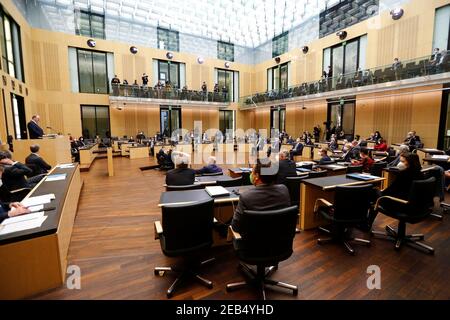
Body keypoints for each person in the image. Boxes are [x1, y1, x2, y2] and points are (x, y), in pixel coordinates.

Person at [231, 160, 291, 233]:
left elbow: (235, 226)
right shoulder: (284, 190)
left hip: (253, 243)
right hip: (281, 240)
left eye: (252, 171)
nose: (251, 174)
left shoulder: (246, 196)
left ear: (256, 176)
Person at [368, 153, 424, 227]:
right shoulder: (421, 175)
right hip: (416, 206)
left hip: (400, 204)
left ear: (409, 162)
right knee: (376, 194)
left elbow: (390, 190)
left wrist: (379, 192)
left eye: (403, 162)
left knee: (373, 193)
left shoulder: (404, 174)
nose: (401, 163)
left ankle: (366, 224)